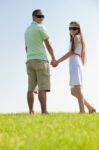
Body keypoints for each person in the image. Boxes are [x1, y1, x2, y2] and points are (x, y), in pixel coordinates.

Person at [51, 21, 96, 113]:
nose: (72, 30)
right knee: (73, 92)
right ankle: (90, 108)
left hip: (75, 63)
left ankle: (82, 111)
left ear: (78, 30)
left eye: (74, 28)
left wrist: (57, 61)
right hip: (74, 63)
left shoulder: (77, 37)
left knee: (78, 89)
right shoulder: (75, 38)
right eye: (70, 28)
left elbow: (71, 52)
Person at [25, 9, 56, 114]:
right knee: (42, 87)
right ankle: (44, 111)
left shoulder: (27, 30)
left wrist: (30, 56)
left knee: (31, 88)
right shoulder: (40, 27)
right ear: (33, 17)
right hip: (41, 60)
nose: (41, 18)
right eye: (39, 16)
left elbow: (26, 48)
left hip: (29, 61)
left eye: (42, 16)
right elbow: (48, 44)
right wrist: (53, 58)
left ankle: (31, 112)